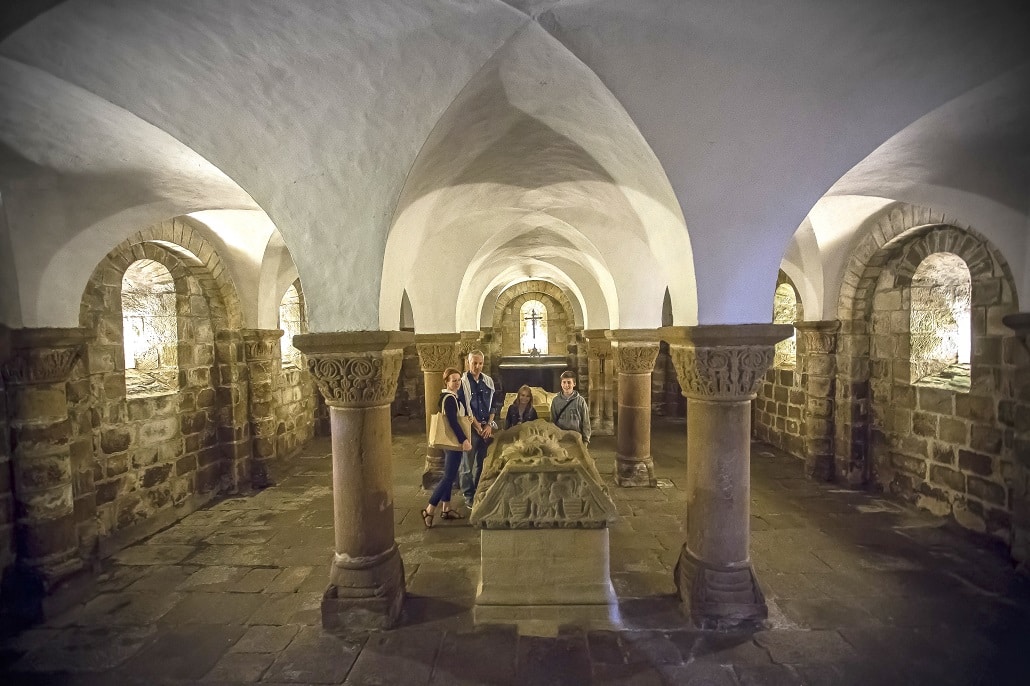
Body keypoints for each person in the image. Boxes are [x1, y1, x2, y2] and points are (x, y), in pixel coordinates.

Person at [421, 367, 471, 528]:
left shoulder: (452, 397)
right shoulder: (449, 398)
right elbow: (452, 422)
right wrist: (463, 439)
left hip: (452, 441)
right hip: (453, 442)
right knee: (448, 477)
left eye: (458, 380)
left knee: (450, 475)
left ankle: (446, 508)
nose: (457, 383)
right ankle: (429, 509)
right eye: (453, 380)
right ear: (446, 382)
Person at [457, 349, 503, 507]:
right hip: (471, 428)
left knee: (482, 462)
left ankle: (479, 489)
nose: (477, 366)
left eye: (480, 363)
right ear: (468, 363)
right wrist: (477, 427)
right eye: (474, 363)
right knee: (467, 465)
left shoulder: (488, 381)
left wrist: (489, 424)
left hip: (486, 428)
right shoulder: (462, 383)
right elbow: (464, 407)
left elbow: (494, 404)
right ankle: (469, 495)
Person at [550, 370, 591, 445]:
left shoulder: (580, 401)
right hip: (561, 437)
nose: (566, 385)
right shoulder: (556, 401)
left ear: (574, 384)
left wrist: (586, 440)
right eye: (564, 382)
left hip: (576, 437)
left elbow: (586, 421)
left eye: (569, 382)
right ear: (561, 384)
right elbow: (553, 420)